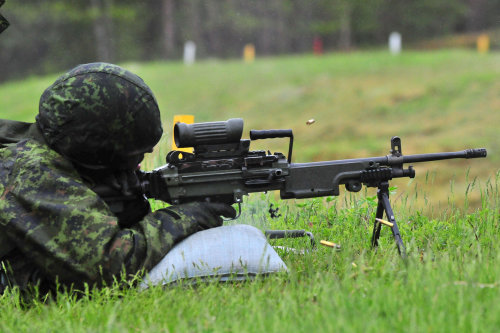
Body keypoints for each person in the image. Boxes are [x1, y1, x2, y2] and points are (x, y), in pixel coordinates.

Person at [0, 62, 236, 294]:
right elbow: (107, 266)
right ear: (97, 152)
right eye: (132, 155)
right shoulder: (30, 172)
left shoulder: (44, 146)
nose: (140, 161)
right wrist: (187, 216)